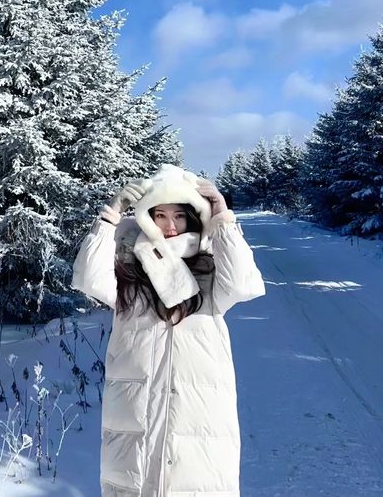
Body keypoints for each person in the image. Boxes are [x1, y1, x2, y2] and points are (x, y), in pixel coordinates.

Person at [72, 163, 266, 497]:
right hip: (136, 419)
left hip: (198, 418)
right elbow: (90, 279)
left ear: (193, 217)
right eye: (160, 215)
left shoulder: (209, 268)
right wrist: (108, 220)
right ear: (147, 217)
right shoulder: (129, 269)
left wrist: (222, 217)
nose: (170, 226)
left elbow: (243, 284)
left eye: (179, 215)